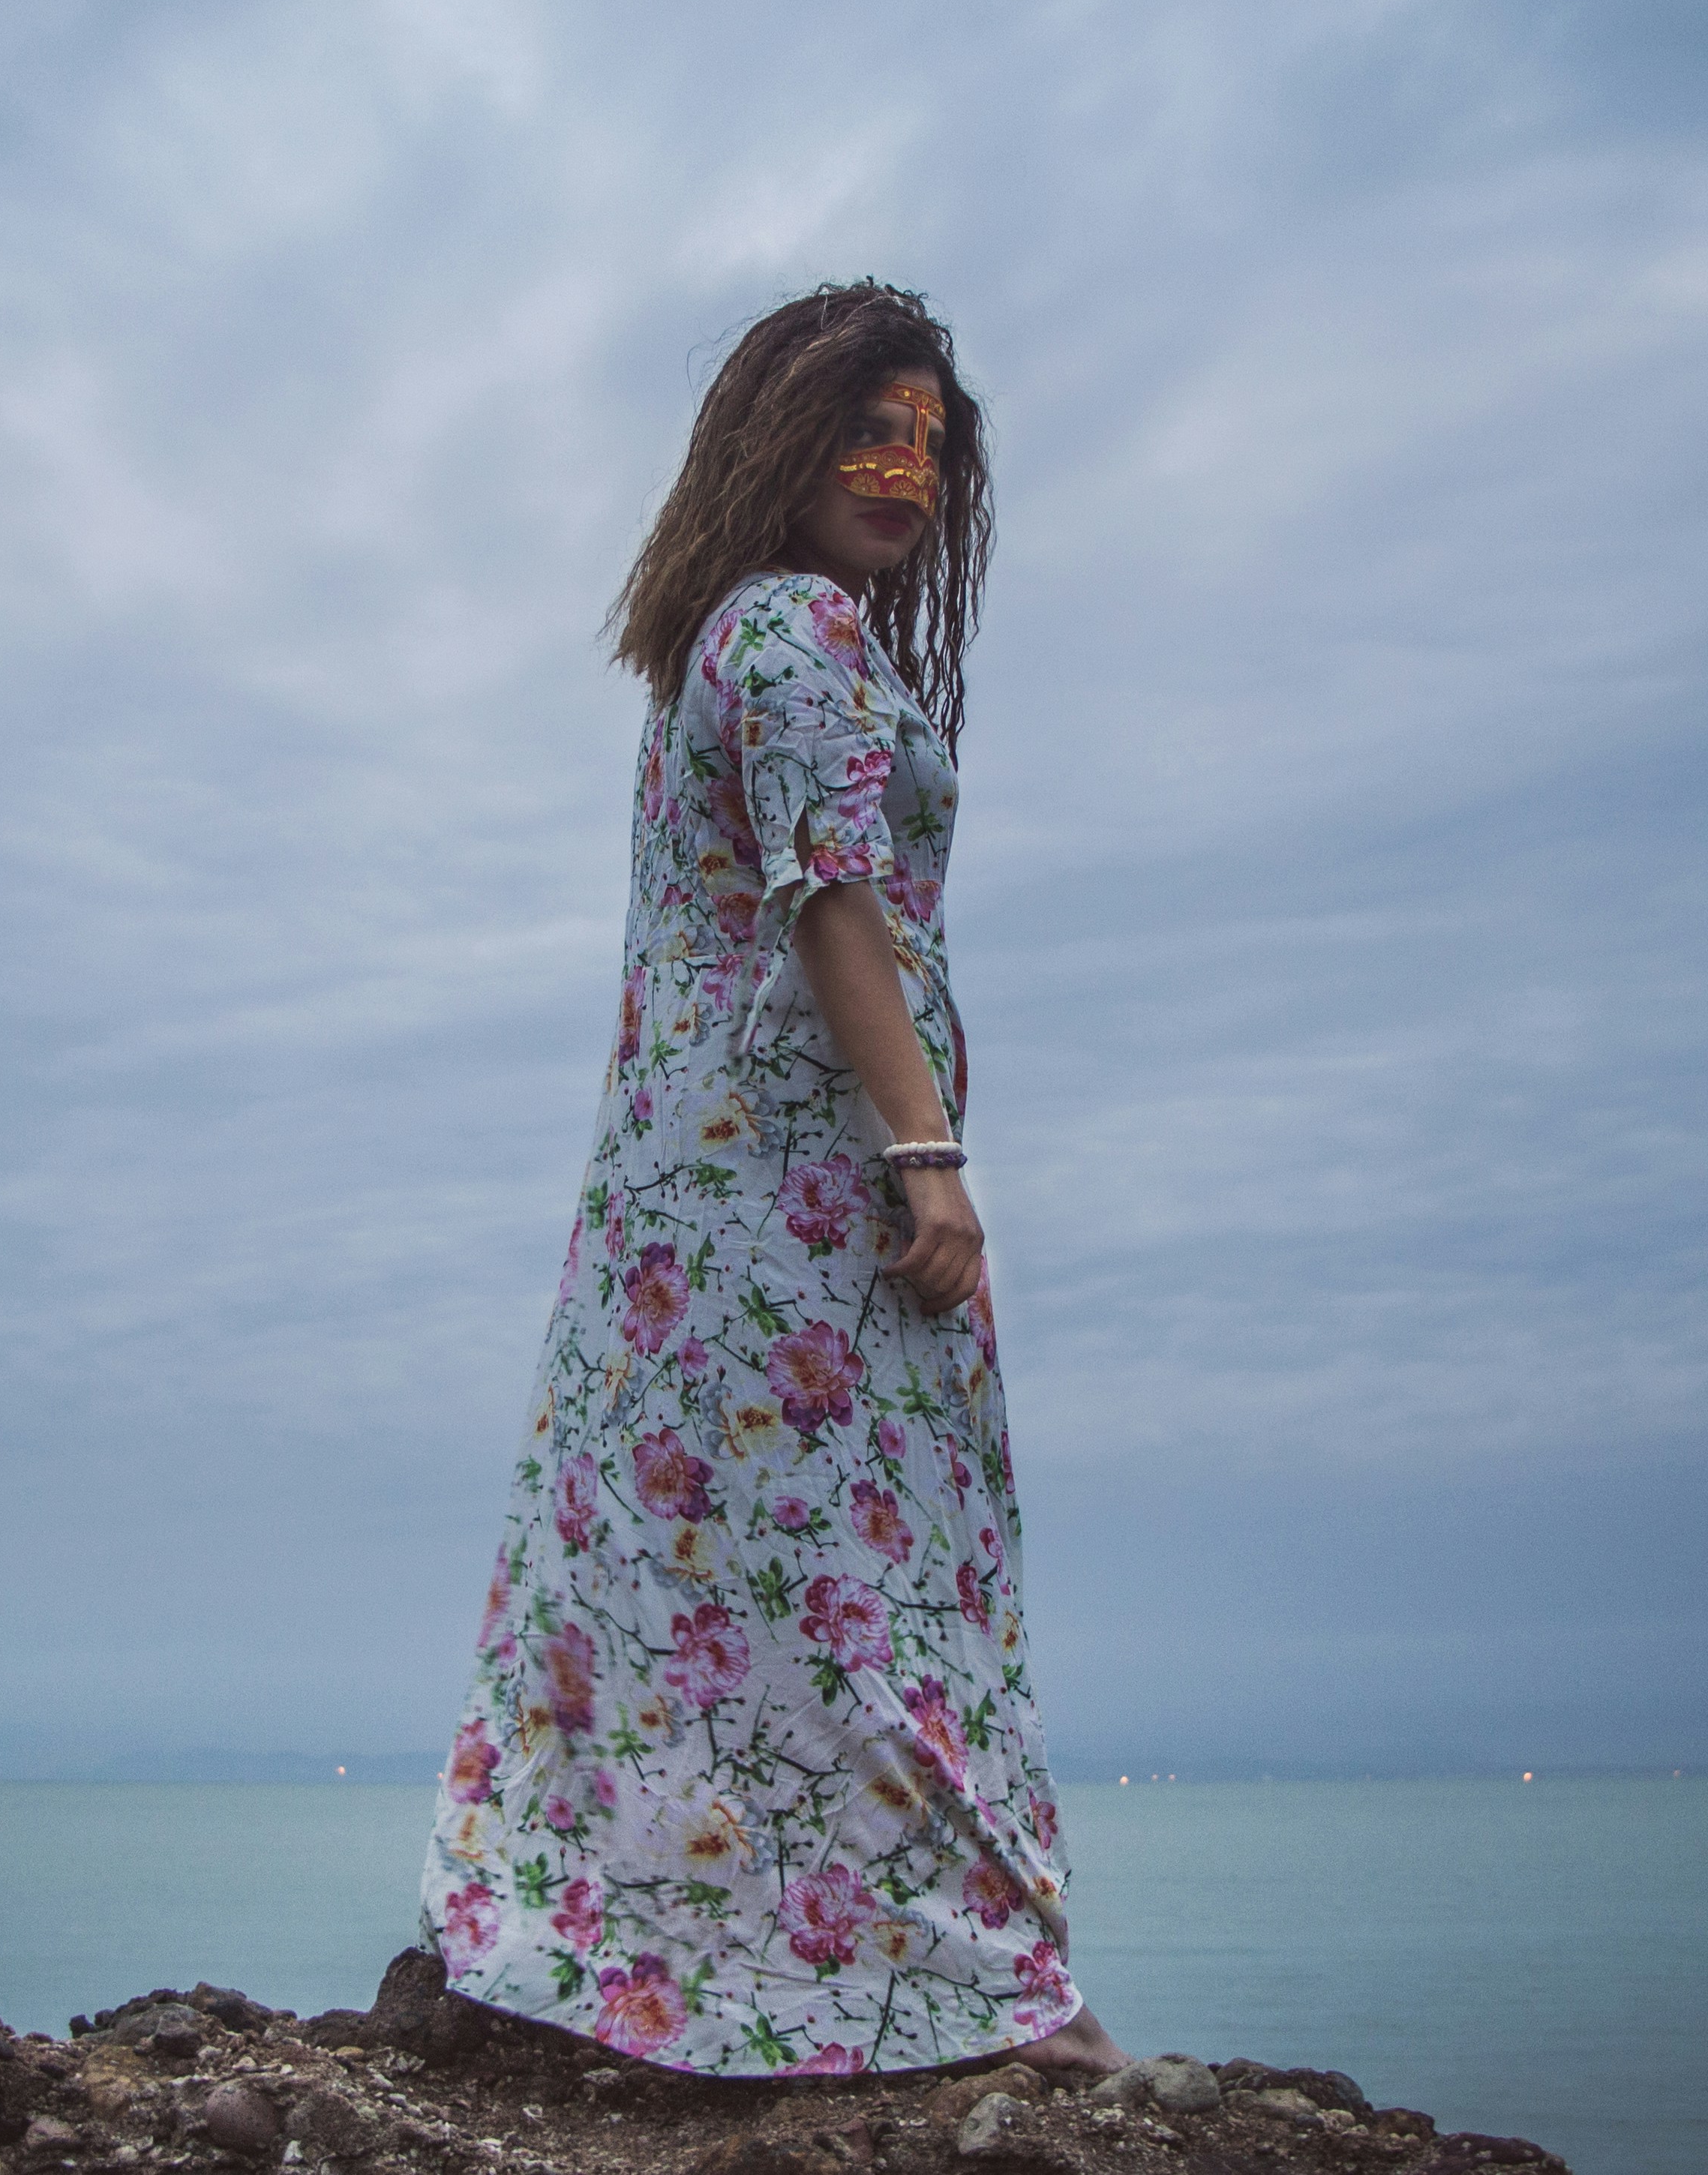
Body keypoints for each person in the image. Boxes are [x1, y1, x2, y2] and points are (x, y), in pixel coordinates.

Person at [419, 282, 1124, 2080]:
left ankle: (710, 1965)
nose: (901, 467)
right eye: (865, 428)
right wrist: (930, 1154)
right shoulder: (793, 629)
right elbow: (830, 898)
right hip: (789, 1201)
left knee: (713, 1570)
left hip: (689, 1200)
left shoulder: (728, 641)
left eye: (930, 445)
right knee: (864, 1576)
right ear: (775, 441)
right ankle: (982, 1992)